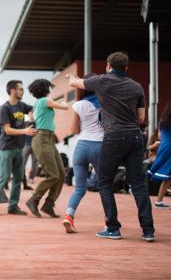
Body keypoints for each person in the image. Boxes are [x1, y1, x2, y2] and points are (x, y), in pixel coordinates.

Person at [68, 51, 155, 242]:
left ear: (108, 65)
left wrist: (70, 77)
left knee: (104, 182)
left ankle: (113, 228)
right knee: (138, 184)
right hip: (135, 136)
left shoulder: (102, 81)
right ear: (126, 67)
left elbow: (74, 83)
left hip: (114, 137)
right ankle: (148, 231)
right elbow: (141, 118)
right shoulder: (137, 86)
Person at [0, 80, 35, 216]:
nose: (22, 91)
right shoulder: (5, 108)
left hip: (19, 147)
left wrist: (31, 114)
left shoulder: (22, 105)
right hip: (7, 147)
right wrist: (25, 131)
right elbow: (8, 130)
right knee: (4, 177)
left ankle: (13, 206)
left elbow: (33, 108)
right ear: (13, 91)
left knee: (18, 178)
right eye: (20, 89)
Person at [25, 79, 69, 218]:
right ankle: (34, 199)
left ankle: (49, 204)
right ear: (46, 89)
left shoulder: (39, 103)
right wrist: (63, 101)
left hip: (48, 139)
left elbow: (32, 115)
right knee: (53, 175)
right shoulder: (44, 101)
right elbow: (65, 107)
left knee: (61, 174)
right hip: (42, 139)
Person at [62, 86, 103, 233]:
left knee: (79, 188)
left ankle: (69, 216)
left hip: (81, 146)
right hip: (99, 145)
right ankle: (109, 222)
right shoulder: (105, 103)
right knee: (105, 186)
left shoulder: (78, 105)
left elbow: (74, 130)